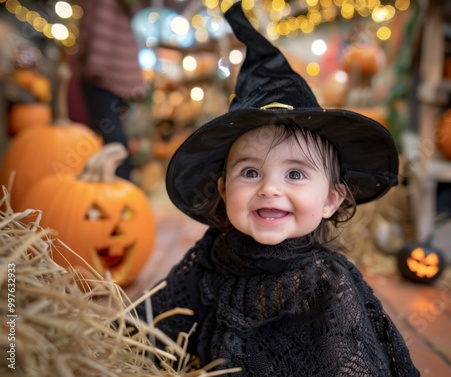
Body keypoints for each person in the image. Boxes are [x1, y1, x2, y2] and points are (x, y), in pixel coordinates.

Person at [137, 2, 420, 376]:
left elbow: (353, 362)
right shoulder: (211, 256)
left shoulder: (326, 281)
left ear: (331, 199)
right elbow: (152, 327)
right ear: (223, 190)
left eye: (296, 175)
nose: (270, 189)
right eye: (251, 172)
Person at [72, 0, 147, 180]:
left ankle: (118, 181)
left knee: (110, 134)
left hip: (102, 70)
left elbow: (92, 29)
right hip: (121, 70)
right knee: (114, 131)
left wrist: (83, 62)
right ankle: (120, 181)